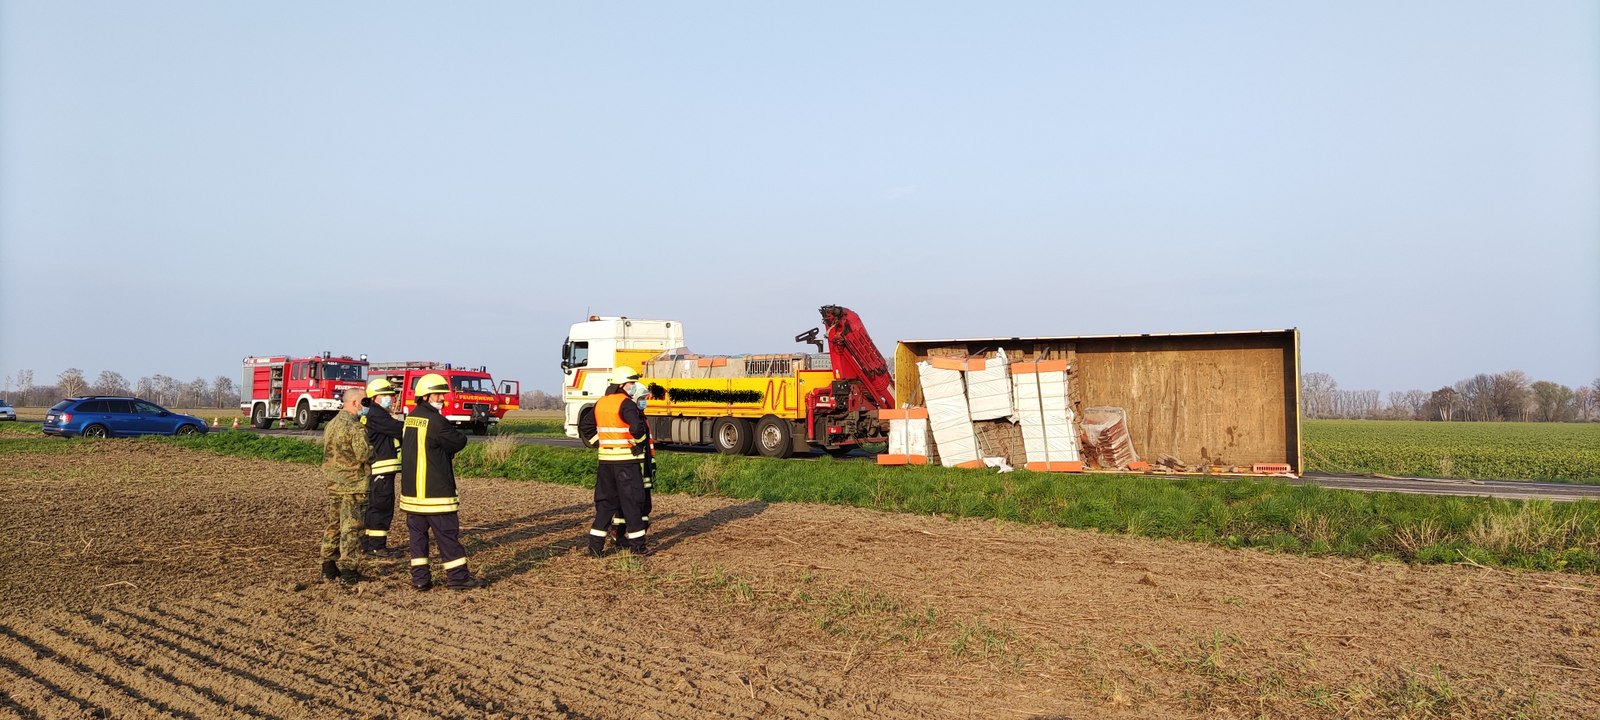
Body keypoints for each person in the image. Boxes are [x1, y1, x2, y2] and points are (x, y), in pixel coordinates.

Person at [399, 372, 477, 591]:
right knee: (447, 537)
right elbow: (458, 442)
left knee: (417, 541)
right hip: (436, 494)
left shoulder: (410, 418)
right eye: (438, 395)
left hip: (412, 494)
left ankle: (420, 579)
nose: (443, 398)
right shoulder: (437, 421)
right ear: (426, 396)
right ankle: (458, 578)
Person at [580, 366, 652, 556]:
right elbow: (637, 428)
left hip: (605, 462)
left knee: (605, 505)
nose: (634, 387)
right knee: (632, 503)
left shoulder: (601, 403)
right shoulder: (626, 403)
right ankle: (638, 548)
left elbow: (585, 427)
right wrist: (639, 444)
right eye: (631, 383)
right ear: (622, 384)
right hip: (626, 462)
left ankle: (595, 548)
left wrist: (599, 443)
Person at [321, 387, 373, 585]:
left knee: (334, 524)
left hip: (334, 482)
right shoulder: (356, 427)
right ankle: (349, 571)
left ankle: (328, 566)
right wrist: (373, 451)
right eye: (365, 402)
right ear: (354, 403)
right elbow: (364, 455)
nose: (366, 406)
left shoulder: (332, 424)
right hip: (353, 484)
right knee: (351, 527)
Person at [360, 377, 405, 557]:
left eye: (391, 395)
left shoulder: (373, 413)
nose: (390, 398)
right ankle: (377, 546)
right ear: (375, 397)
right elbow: (398, 429)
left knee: (373, 507)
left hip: (379, 470)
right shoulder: (376, 414)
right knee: (381, 507)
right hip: (381, 471)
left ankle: (368, 544)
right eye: (386, 395)